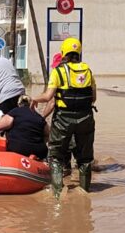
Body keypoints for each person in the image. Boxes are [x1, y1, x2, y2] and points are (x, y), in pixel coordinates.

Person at [32, 38, 95, 198]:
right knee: (85, 158)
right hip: (86, 117)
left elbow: (48, 96)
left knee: (55, 156)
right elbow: (93, 98)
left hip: (63, 119)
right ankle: (85, 192)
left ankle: (58, 193)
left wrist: (34, 99)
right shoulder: (88, 70)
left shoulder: (58, 71)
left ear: (63, 53)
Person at [0, 95, 48, 159]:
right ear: (32, 104)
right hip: (39, 150)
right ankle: (33, 156)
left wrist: (0, 118)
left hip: (17, 148)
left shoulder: (15, 111)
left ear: (18, 104)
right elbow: (48, 133)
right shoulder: (39, 117)